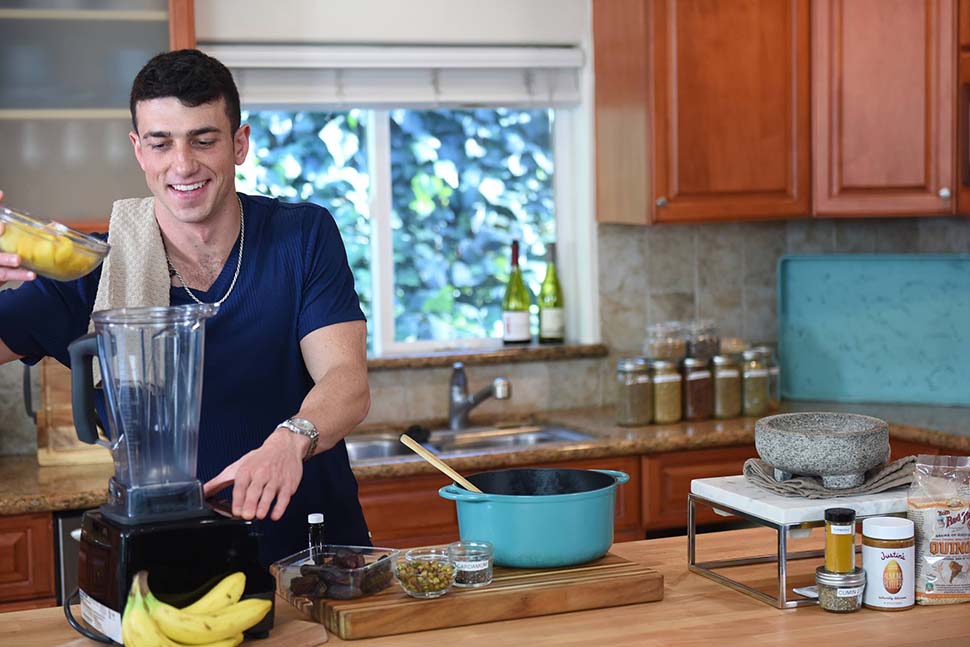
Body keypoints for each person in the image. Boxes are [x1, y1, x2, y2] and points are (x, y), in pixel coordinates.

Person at [0, 49, 371, 565]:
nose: (183, 164)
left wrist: (291, 441)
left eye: (203, 139)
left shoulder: (302, 235)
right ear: (139, 151)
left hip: (316, 551)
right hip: (165, 550)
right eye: (161, 143)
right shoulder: (95, 265)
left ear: (239, 144)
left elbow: (347, 380)